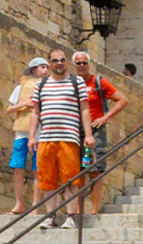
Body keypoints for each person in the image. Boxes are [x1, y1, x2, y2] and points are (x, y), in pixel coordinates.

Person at [28, 50, 95, 227]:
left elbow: (85, 109)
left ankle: (70, 216)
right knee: (47, 180)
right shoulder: (41, 85)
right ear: (49, 63)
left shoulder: (76, 82)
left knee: (71, 178)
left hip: (69, 138)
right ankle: (51, 216)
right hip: (45, 138)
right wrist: (31, 137)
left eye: (62, 60)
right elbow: (35, 112)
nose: (59, 63)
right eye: (55, 60)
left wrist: (88, 135)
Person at [74, 51, 129, 213]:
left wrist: (105, 118)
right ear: (74, 65)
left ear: (89, 64)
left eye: (84, 62)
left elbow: (123, 100)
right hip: (75, 130)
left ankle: (94, 209)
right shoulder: (70, 83)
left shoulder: (98, 82)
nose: (82, 66)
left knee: (95, 169)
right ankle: (77, 210)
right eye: (78, 63)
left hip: (95, 130)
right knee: (78, 170)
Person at [4, 57, 48, 215]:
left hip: (41, 132)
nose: (46, 70)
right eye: (42, 67)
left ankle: (36, 204)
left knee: (38, 168)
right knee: (18, 167)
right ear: (34, 69)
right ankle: (19, 203)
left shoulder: (49, 87)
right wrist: (25, 104)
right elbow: (10, 109)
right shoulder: (20, 88)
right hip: (22, 132)